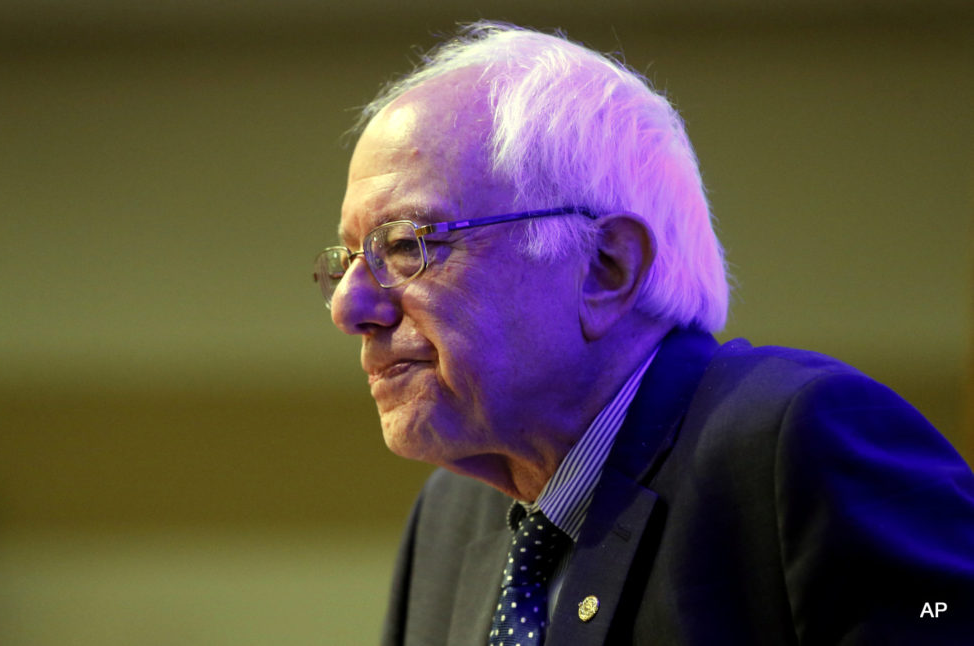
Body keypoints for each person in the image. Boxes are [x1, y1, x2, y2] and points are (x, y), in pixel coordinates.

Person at [312, 21, 974, 645]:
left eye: (406, 245)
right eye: (346, 262)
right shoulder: (449, 519)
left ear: (606, 268)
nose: (350, 306)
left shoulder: (802, 440)